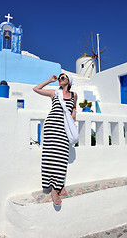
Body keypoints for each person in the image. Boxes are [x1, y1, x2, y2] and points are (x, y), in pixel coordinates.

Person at [33, 73, 77, 206]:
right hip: (52, 127)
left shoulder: (74, 95)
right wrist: (50, 80)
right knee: (50, 157)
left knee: (62, 157)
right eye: (59, 77)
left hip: (64, 129)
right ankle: (54, 189)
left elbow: (74, 107)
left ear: (69, 81)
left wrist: (74, 112)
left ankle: (59, 184)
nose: (60, 79)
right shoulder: (54, 93)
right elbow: (36, 89)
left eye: (63, 77)